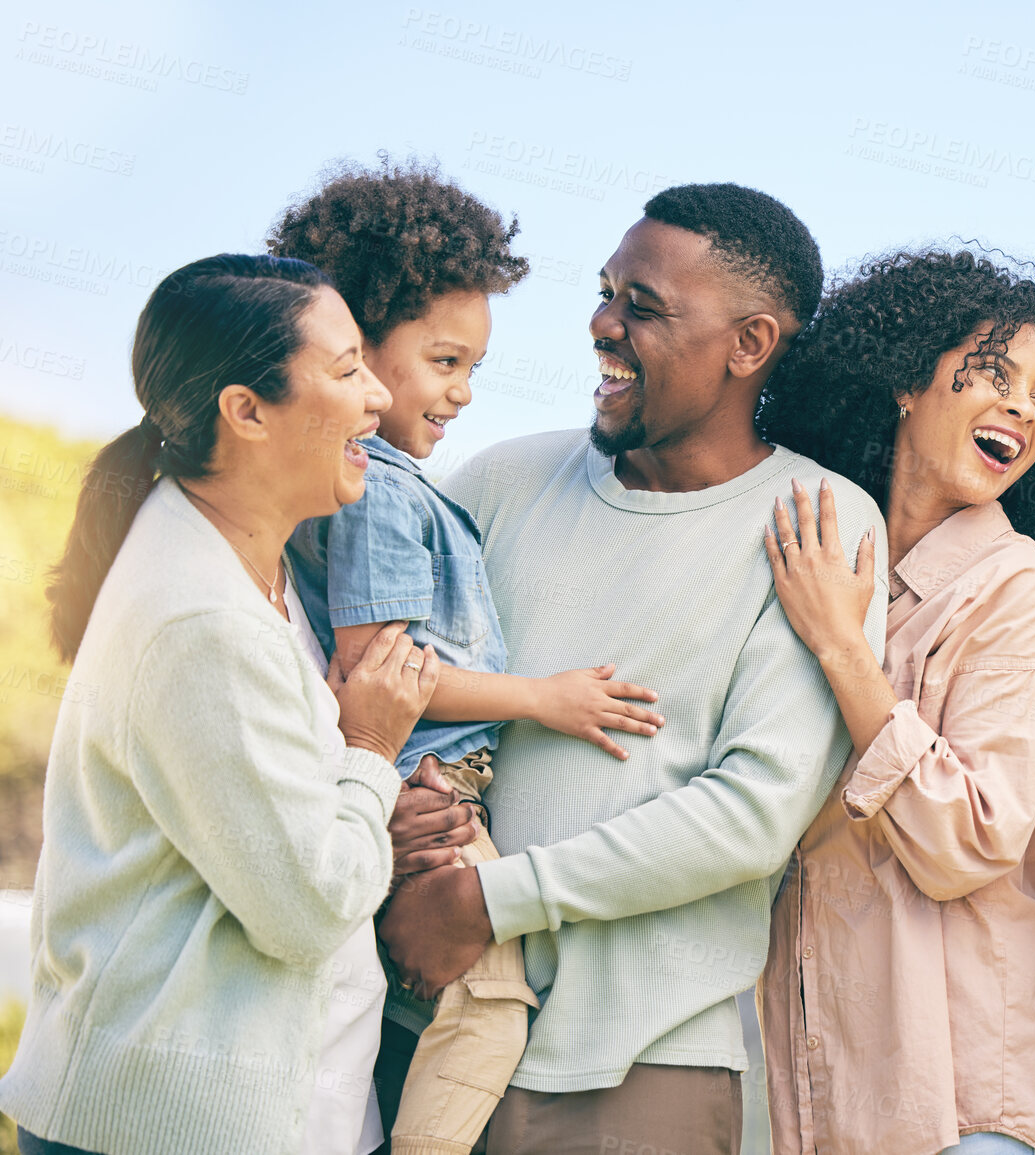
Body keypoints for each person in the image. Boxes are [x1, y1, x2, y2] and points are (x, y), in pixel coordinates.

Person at [375, 182, 888, 1155]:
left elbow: (754, 812)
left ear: (750, 344)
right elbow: (382, 685)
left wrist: (488, 901)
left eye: (642, 306)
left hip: (633, 1071)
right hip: (420, 1021)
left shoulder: (822, 522)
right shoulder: (495, 480)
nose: (602, 324)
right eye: (607, 293)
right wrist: (386, 809)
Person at [270, 159, 667, 1155]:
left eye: (474, 370)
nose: (462, 395)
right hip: (417, 781)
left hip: (420, 784)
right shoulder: (384, 490)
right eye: (445, 362)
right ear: (355, 352)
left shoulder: (394, 484)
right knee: (488, 1004)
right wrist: (546, 699)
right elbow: (381, 673)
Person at [0, 254, 436, 1155]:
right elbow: (308, 908)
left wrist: (368, 812)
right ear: (245, 411)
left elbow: (261, 830)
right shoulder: (200, 614)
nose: (377, 401)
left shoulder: (254, 568)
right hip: (167, 1128)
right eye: (347, 369)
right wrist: (369, 747)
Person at [753, 248, 1035, 1155]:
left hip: (979, 1105)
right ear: (904, 382)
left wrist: (845, 650)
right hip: (824, 1094)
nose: (1022, 409)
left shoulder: (1020, 590)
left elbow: (972, 836)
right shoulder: (819, 558)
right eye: (994, 374)